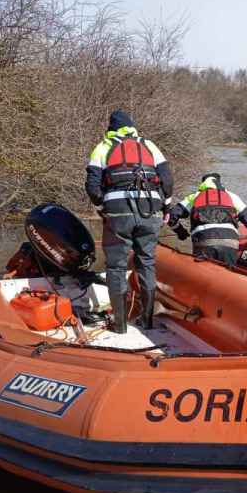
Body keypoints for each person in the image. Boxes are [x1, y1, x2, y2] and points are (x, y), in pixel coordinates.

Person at [85, 110, 173, 333]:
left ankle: (120, 325)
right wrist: (167, 205)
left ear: (111, 128)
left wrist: (102, 206)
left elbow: (93, 186)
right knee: (147, 262)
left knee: (116, 266)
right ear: (132, 127)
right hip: (150, 210)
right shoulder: (150, 146)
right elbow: (167, 180)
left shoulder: (103, 147)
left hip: (118, 212)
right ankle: (148, 321)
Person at [167, 173, 247, 266]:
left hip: (203, 241)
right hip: (229, 242)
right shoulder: (232, 196)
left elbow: (171, 216)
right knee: (228, 274)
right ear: (219, 183)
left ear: (203, 184)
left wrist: (181, 232)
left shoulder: (195, 196)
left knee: (202, 275)